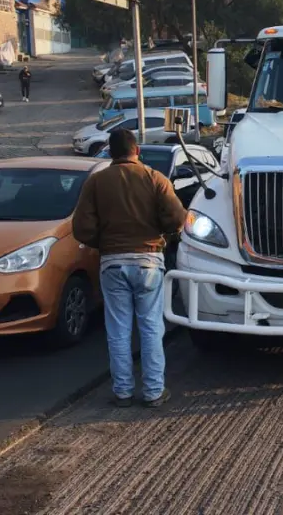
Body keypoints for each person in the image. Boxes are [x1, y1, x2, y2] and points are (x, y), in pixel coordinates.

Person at [72, 129, 187, 408]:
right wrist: (163, 233)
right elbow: (176, 218)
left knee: (118, 330)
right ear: (137, 151)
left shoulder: (96, 182)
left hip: (112, 262)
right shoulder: (154, 178)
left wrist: (105, 242)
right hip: (148, 260)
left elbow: (81, 228)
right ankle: (153, 392)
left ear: (110, 153)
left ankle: (122, 392)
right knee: (150, 328)